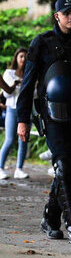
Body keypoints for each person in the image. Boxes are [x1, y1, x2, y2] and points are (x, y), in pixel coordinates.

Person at [17, 0, 71, 244]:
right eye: (66, 13)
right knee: (64, 167)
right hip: (52, 116)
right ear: (56, 15)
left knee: (65, 169)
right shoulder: (42, 43)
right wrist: (22, 120)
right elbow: (27, 85)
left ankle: (50, 218)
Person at [0, 47, 30, 180]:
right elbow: (7, 94)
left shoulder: (30, 74)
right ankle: (0, 167)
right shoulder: (9, 73)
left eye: (25, 57)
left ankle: (19, 169)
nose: (23, 59)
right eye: (21, 56)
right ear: (16, 58)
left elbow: (33, 94)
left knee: (23, 140)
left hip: (26, 110)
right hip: (12, 109)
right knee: (10, 139)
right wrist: (15, 84)